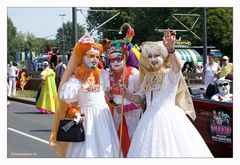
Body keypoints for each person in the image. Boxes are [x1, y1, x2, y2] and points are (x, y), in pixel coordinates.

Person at [121, 29, 213, 157]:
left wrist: (171, 49)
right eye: (150, 56)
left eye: (156, 55)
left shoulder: (170, 73)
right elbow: (139, 98)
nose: (153, 59)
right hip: (147, 120)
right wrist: (127, 94)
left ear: (164, 57)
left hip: (169, 118)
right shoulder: (147, 77)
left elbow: (178, 66)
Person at [49, 36, 121, 158]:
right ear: (82, 57)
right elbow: (69, 103)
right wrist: (75, 113)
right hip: (86, 119)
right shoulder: (75, 80)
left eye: (97, 57)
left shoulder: (102, 75)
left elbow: (108, 95)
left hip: (103, 117)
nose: (95, 60)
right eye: (91, 56)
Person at [108, 38, 141, 157]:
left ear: (125, 58)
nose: (115, 62)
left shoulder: (134, 74)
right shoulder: (109, 74)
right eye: (112, 59)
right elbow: (110, 97)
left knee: (130, 144)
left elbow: (142, 100)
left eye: (119, 58)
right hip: (115, 115)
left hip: (131, 116)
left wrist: (126, 108)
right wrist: (114, 103)